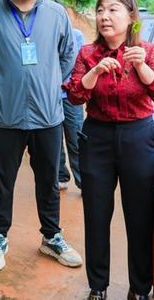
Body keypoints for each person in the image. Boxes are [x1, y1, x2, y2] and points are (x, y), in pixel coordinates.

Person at [64, 0, 154, 300]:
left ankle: (139, 288)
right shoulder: (88, 54)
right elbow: (74, 96)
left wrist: (142, 67)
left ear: (130, 17)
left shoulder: (146, 50)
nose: (104, 16)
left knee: (141, 216)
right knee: (96, 215)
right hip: (96, 137)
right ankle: (97, 287)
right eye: (100, 9)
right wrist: (96, 72)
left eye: (113, 10)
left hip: (138, 138)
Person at [0, 0, 82, 272]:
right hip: (5, 117)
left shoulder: (56, 13)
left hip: (48, 116)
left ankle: (51, 236)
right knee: (2, 181)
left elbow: (69, 54)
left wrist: (52, 83)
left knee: (49, 180)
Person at [58, 25, 86, 190]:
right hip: (49, 97)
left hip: (70, 96)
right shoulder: (42, 34)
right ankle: (61, 176)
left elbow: (82, 63)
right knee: (55, 140)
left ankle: (84, 182)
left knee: (76, 138)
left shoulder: (76, 35)